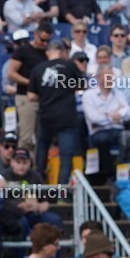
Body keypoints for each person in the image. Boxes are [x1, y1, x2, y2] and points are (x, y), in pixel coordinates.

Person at [28, 40, 86, 184]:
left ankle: (38, 185)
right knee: (66, 155)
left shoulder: (38, 69)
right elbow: (82, 85)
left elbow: (31, 96)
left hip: (46, 116)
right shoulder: (70, 66)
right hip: (66, 117)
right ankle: (62, 190)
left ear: (49, 52)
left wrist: (46, 94)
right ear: (61, 52)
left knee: (42, 150)